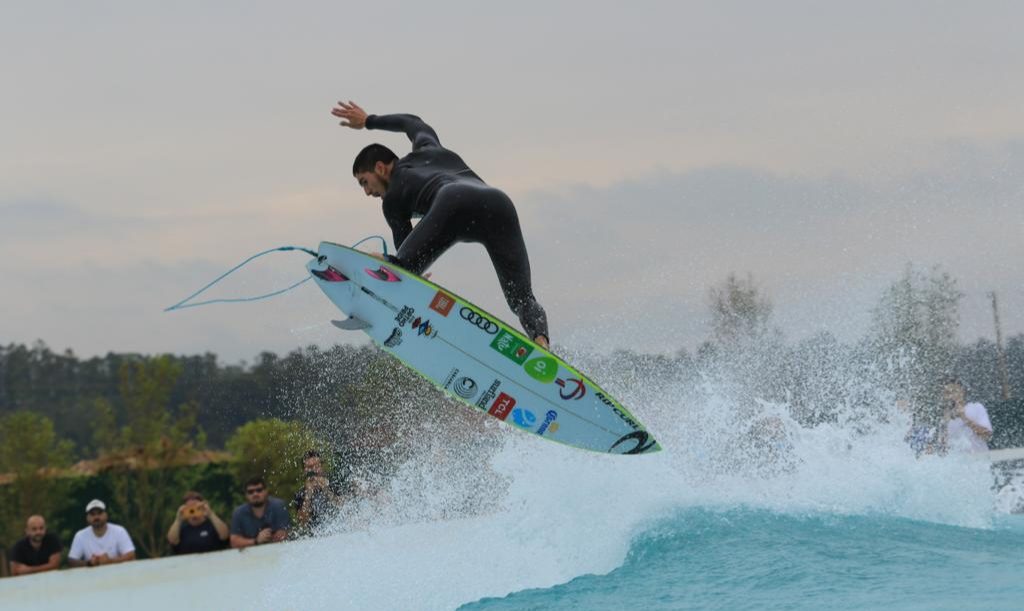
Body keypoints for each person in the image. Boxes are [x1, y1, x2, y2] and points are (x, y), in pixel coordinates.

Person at [331, 100, 550, 349]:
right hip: (498, 204)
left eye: (364, 182)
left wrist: (409, 271)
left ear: (380, 168)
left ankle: (358, 265)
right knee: (521, 298)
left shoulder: (392, 200)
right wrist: (370, 120)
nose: (367, 192)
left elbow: (404, 259)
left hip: (452, 203)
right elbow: (412, 122)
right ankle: (541, 341)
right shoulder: (428, 147)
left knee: (401, 266)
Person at [67, 499, 136, 568]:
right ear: (87, 518)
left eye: (99, 513)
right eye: (92, 514)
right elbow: (72, 561)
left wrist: (110, 561)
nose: (96, 517)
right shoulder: (80, 535)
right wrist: (89, 563)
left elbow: (131, 555)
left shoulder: (119, 531)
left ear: (106, 515)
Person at [229, 477, 291, 548]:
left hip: (279, 551)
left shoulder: (279, 506)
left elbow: (284, 535)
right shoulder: (238, 513)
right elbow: (234, 542)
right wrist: (256, 540)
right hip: (250, 556)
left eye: (259, 490)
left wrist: (263, 538)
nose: (255, 494)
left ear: (266, 491)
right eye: (250, 492)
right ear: (246, 495)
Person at [936, 377, 993, 454]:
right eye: (947, 393)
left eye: (954, 391)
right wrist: (945, 424)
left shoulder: (976, 407)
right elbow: (943, 449)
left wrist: (964, 417)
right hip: (957, 463)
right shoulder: (944, 417)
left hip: (979, 461)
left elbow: (987, 436)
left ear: (962, 391)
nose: (951, 396)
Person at [294, 450, 345, 534]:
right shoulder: (301, 493)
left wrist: (326, 490)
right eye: (309, 467)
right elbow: (302, 523)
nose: (313, 470)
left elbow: (345, 508)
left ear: (322, 466)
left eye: (316, 466)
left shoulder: (336, 482)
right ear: (304, 471)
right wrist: (308, 495)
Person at [166, 491, 230, 555]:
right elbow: (172, 541)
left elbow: (224, 536)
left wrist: (210, 514)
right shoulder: (181, 528)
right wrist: (178, 519)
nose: (193, 510)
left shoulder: (213, 524)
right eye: (190, 508)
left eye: (196, 507)